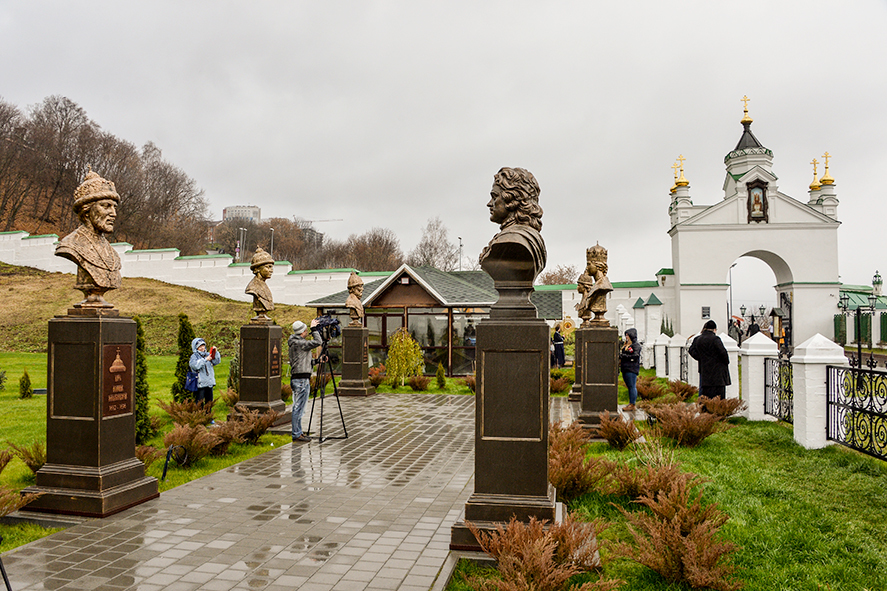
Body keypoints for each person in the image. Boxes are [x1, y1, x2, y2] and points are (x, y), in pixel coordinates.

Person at [55, 168, 122, 306]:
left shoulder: (112, 253)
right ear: (86, 211)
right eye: (106, 206)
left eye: (114, 207)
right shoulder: (70, 245)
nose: (113, 213)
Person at [289, 318, 322, 443]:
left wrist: (317, 361)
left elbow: (302, 362)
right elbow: (318, 341)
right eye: (306, 330)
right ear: (302, 332)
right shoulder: (300, 343)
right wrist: (314, 329)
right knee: (298, 407)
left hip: (300, 377)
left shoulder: (296, 343)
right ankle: (296, 434)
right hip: (301, 380)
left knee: (299, 407)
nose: (307, 332)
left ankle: (298, 432)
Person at [688, 320, 731, 400]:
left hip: (704, 370)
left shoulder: (698, 339)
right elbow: (723, 353)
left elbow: (691, 350)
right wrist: (726, 362)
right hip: (717, 372)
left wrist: (700, 358)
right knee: (718, 395)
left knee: (705, 393)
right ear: (714, 330)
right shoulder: (715, 339)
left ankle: (703, 409)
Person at [245, 247, 274, 320]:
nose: (271, 271)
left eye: (271, 267)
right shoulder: (253, 287)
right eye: (268, 267)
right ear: (257, 269)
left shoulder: (264, 285)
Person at [189, 337, 221, 406]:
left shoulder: (207, 354)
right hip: (200, 384)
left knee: (209, 402)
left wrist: (215, 353)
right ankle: (200, 416)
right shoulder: (194, 357)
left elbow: (216, 361)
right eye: (200, 346)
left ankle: (208, 416)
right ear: (195, 347)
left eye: (203, 345)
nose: (202, 348)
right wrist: (205, 360)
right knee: (199, 402)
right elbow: (195, 366)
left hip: (209, 382)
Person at [620, 328, 641, 411]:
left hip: (631, 369)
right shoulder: (626, 345)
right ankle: (630, 403)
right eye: (626, 335)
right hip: (625, 368)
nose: (626, 337)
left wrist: (624, 356)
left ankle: (632, 404)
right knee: (629, 386)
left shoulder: (635, 345)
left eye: (628, 335)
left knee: (632, 386)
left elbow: (635, 356)